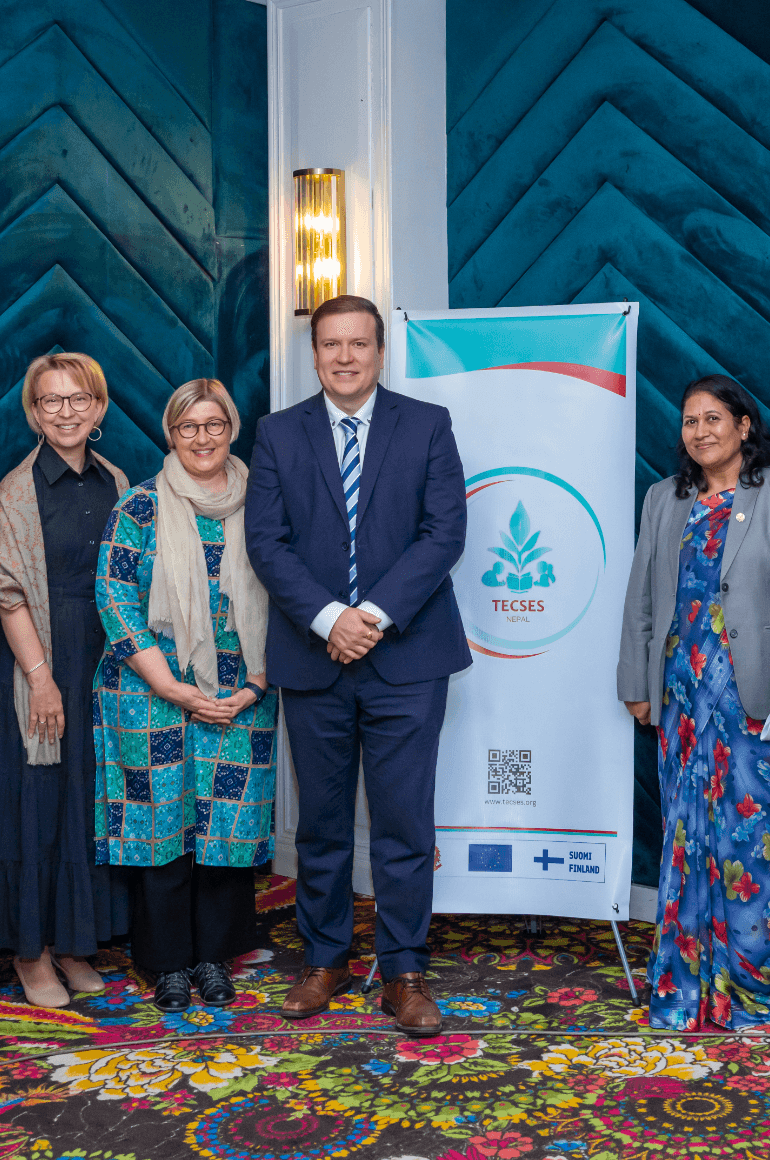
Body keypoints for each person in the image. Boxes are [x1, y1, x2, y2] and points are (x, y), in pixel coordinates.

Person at [246, 294, 469, 1037]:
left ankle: (403, 969)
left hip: (406, 656)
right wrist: (327, 620)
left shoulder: (426, 424)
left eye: (359, 344)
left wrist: (367, 617)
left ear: (380, 352)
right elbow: (267, 543)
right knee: (322, 825)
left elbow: (444, 535)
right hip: (314, 658)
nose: (345, 357)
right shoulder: (278, 434)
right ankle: (325, 958)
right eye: (331, 344)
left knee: (404, 823)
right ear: (314, 354)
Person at [619, 375, 770, 1030]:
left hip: (755, 701)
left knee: (750, 841)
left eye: (715, 418)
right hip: (682, 700)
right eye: (690, 421)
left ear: (744, 425)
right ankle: (684, 988)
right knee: (683, 840)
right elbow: (643, 600)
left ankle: (756, 995)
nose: (702, 430)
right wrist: (635, 685)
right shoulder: (663, 498)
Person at [94, 379, 278, 1011]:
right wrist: (172, 687)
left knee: (224, 830)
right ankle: (168, 963)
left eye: (214, 425)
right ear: (170, 435)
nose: (202, 438)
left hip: (241, 693)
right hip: (153, 696)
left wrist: (255, 685)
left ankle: (214, 958)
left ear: (231, 429)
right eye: (187, 427)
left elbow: (290, 593)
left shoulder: (268, 504)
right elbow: (115, 601)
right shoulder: (139, 508)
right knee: (163, 827)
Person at [0, 352, 132, 1007]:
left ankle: (73, 944)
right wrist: (40, 678)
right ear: (33, 413)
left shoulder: (116, 480)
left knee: (86, 803)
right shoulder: (17, 490)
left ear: (99, 407)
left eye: (78, 399)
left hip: (102, 658)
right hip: (38, 661)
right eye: (51, 401)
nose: (66, 411)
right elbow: (6, 594)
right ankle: (31, 956)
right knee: (34, 806)